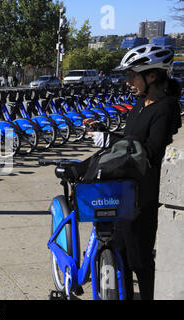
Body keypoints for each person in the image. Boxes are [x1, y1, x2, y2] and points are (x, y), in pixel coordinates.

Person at [85, 44, 182, 300]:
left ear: (152, 76)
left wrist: (118, 145)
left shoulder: (165, 107)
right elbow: (129, 140)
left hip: (142, 194)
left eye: (132, 75)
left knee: (139, 260)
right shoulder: (140, 104)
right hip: (122, 190)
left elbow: (150, 150)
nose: (128, 82)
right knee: (120, 256)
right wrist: (103, 132)